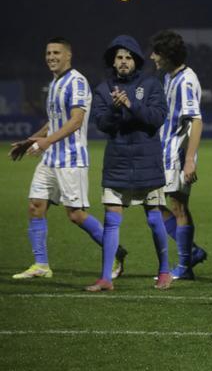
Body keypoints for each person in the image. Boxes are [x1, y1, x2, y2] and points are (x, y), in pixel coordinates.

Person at [9, 37, 126, 280]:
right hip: (50, 158)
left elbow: (75, 121)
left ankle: (116, 252)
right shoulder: (55, 83)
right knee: (35, 206)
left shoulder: (77, 82)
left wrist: (46, 142)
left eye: (56, 53)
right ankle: (41, 265)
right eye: (48, 52)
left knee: (75, 215)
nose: (51, 57)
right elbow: (54, 121)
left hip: (71, 159)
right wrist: (30, 141)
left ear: (68, 56)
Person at [88, 35, 171, 291]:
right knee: (112, 218)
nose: (123, 62)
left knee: (154, 219)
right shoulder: (103, 89)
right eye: (119, 58)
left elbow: (156, 118)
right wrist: (115, 109)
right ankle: (105, 278)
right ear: (113, 62)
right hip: (118, 162)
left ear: (135, 61)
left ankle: (164, 271)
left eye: (128, 57)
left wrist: (130, 104)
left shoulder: (151, 84)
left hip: (147, 161)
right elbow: (102, 124)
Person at [149, 30, 208, 280]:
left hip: (177, 154)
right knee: (157, 204)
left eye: (157, 53)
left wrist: (189, 160)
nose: (152, 57)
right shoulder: (170, 77)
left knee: (177, 206)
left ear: (168, 55)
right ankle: (190, 253)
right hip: (164, 152)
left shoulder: (185, 80)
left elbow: (196, 120)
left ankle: (184, 266)